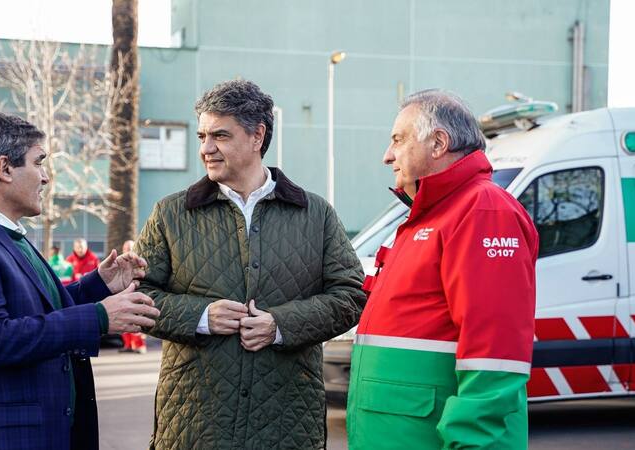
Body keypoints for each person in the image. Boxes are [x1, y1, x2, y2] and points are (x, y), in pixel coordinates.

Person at [136, 79, 366, 449]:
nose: (206, 149)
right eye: (201, 137)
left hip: (287, 422)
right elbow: (138, 298)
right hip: (194, 422)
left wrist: (280, 325)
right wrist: (200, 316)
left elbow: (352, 296)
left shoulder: (316, 214)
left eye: (220, 136)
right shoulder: (170, 214)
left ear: (257, 136)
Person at [0, 113, 160, 450]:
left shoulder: (5, 235)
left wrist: (100, 285)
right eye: (39, 162)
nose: (46, 178)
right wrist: (98, 317)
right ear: (4, 168)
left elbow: (38, 308)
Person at [346, 90, 538, 449]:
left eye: (398, 141)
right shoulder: (432, 215)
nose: (387, 155)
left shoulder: (483, 212)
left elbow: (494, 354)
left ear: (438, 143)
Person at [119, 240, 146, 354]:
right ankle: (128, 345)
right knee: (125, 321)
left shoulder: (140, 262)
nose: (128, 250)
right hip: (123, 294)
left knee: (137, 321)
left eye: (130, 248)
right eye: (126, 248)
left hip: (136, 294)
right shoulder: (119, 262)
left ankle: (140, 346)